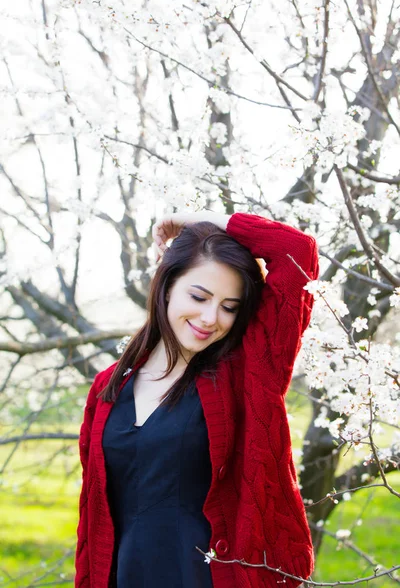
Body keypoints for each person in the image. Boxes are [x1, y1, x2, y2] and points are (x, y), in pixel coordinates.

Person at [75, 210, 319, 588]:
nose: (210, 318)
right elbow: (93, 517)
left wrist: (200, 220)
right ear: (168, 285)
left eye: (229, 307)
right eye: (199, 296)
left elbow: (297, 252)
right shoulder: (108, 388)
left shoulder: (247, 372)